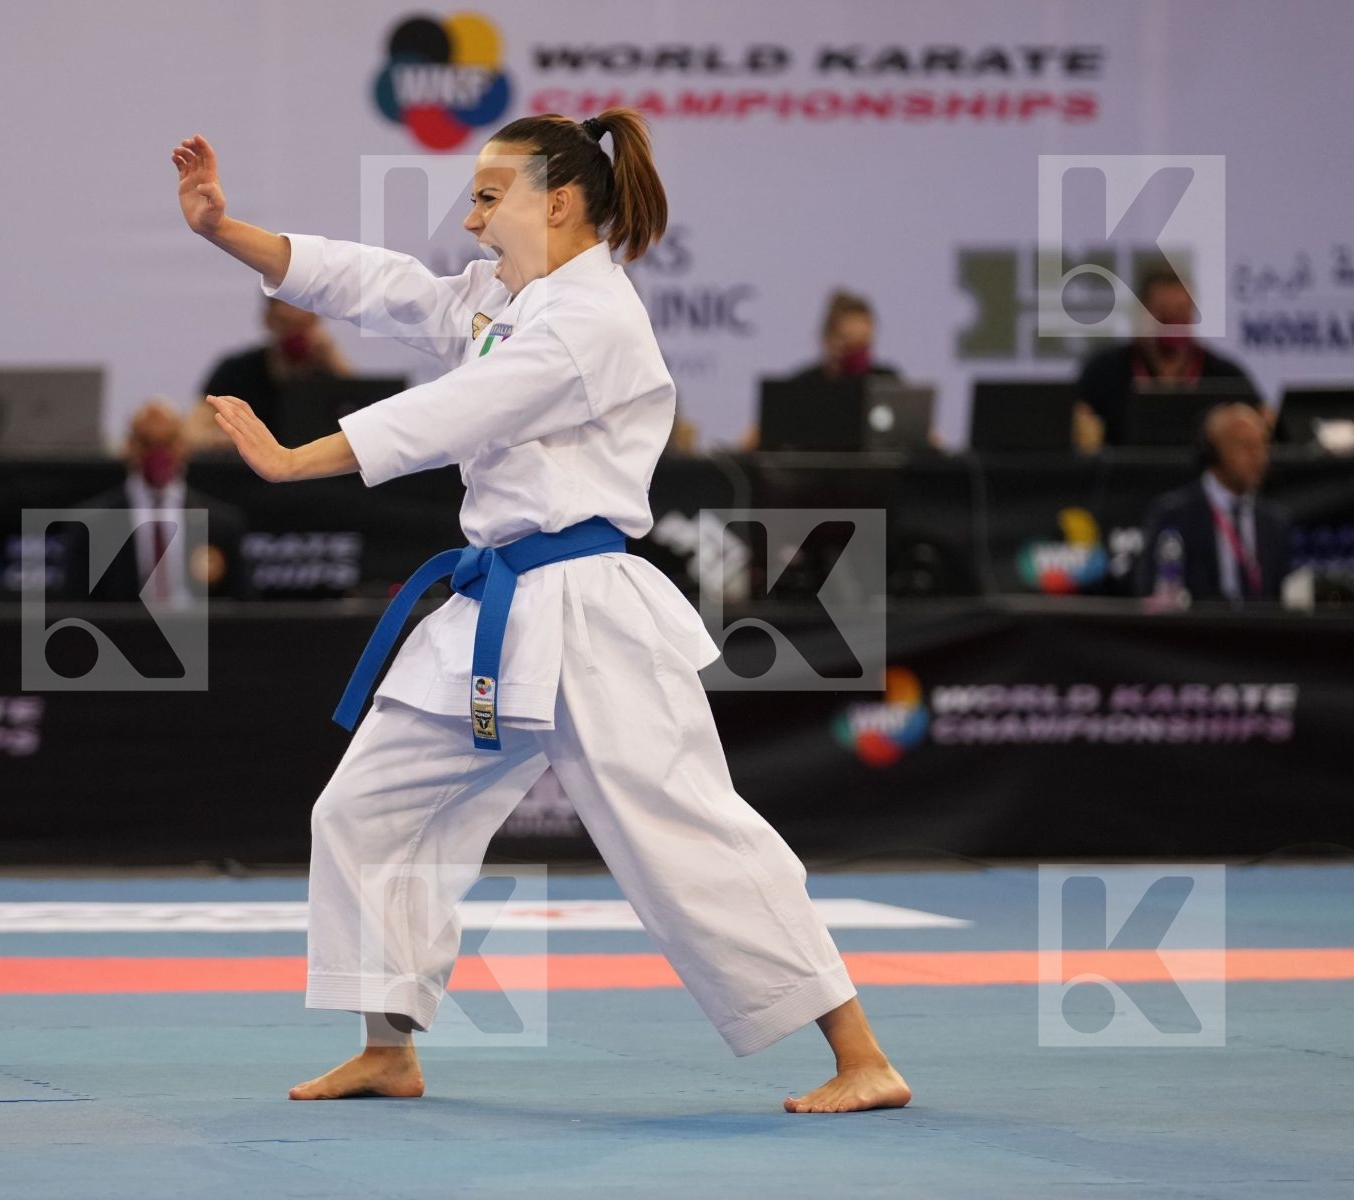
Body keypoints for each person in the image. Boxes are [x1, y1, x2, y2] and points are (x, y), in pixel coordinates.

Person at [174, 113, 909, 1113]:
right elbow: (378, 285)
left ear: (556, 202)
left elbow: (461, 411)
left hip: (592, 613)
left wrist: (299, 458)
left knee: (682, 832)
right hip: (496, 602)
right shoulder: (504, 298)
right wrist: (227, 229)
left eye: (489, 194)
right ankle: (388, 1046)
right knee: (366, 809)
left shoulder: (595, 318)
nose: (470, 216)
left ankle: (862, 1055)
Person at [65, 399, 248, 602]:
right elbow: (76, 609)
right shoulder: (91, 526)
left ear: (183, 447)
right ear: (129, 447)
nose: (158, 454)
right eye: (147, 443)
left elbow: (242, 606)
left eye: (168, 442)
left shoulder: (221, 526)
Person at [1075, 267, 1260, 448]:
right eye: (1164, 315)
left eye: (1181, 313)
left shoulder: (1226, 377)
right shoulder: (1103, 373)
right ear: (1141, 313)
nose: (1173, 324)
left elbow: (1261, 427)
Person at [1134, 401, 1291, 603]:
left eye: (1263, 445)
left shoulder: (1275, 522)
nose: (1259, 456)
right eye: (1246, 445)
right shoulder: (1173, 514)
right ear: (1213, 451)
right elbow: (1150, 592)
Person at [184, 296, 354, 450]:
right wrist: (217, 440)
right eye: (284, 323)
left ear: (316, 322)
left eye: (300, 326)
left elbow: (363, 426)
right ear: (268, 320)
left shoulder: (331, 375)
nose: (291, 335)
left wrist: (336, 363)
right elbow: (193, 432)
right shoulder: (235, 371)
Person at [741, 289, 899, 451]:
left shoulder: (889, 385)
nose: (858, 353)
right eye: (850, 344)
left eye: (864, 344)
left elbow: (918, 437)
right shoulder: (801, 388)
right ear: (827, 338)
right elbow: (749, 445)